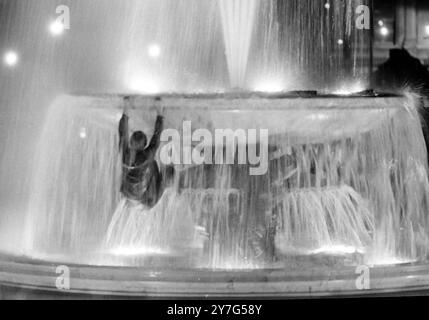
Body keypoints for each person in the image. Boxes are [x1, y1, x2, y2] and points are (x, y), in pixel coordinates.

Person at [118, 97, 165, 208]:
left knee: (154, 165)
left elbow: (122, 133)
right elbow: (156, 136)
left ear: (131, 143)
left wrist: (160, 113)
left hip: (133, 194)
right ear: (145, 146)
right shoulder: (144, 156)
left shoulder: (131, 155)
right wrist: (125, 110)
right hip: (145, 200)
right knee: (165, 171)